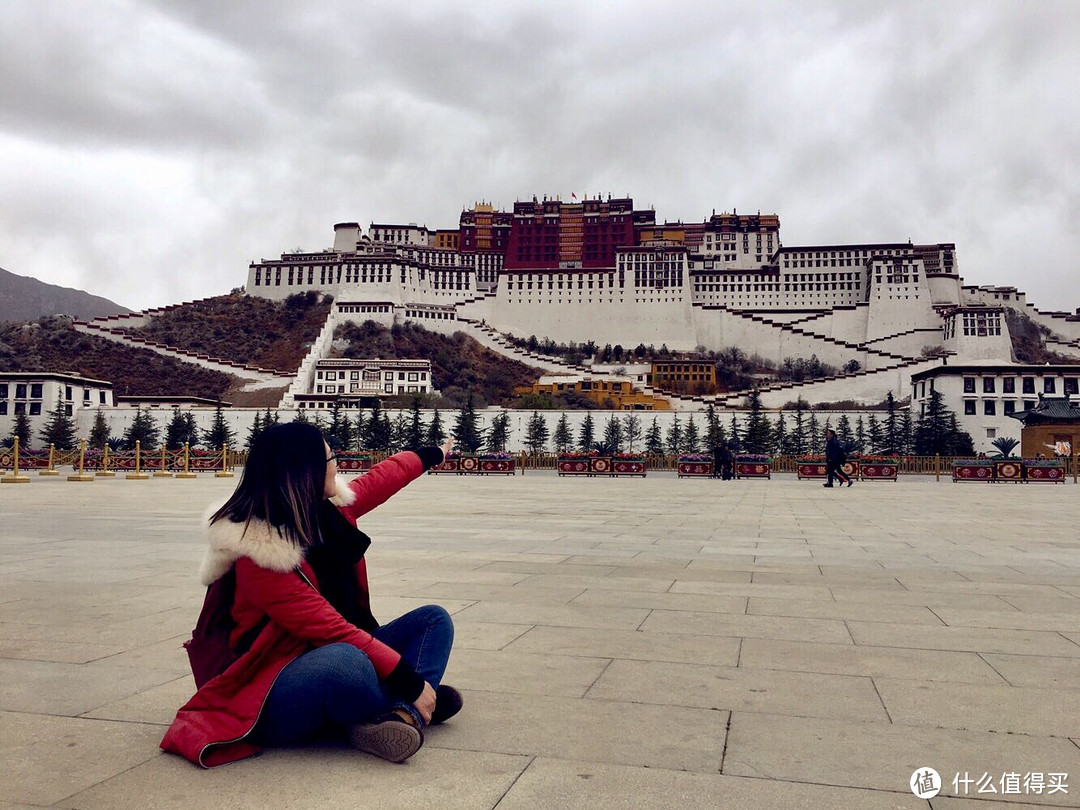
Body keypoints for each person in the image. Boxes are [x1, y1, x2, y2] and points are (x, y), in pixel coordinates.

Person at [161, 422, 461, 768]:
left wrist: (432, 454)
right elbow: (331, 629)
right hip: (277, 679)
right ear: (304, 472)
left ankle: (402, 714)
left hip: (342, 649)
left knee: (432, 619)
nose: (338, 465)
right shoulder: (260, 555)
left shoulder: (326, 512)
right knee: (347, 664)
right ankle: (409, 701)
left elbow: (383, 477)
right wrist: (409, 680)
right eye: (332, 457)